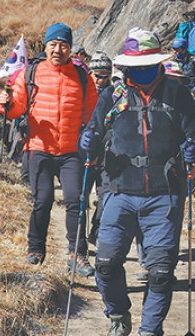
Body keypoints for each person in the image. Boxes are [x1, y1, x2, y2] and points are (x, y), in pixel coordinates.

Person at [79, 28, 195, 336]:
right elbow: (95, 132)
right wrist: (89, 141)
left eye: (146, 64)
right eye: (135, 66)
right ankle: (118, 316)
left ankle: (150, 331)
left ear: (158, 62)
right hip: (118, 192)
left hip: (165, 195)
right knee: (106, 265)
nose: (140, 71)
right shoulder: (113, 95)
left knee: (161, 273)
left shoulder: (178, 95)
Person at [0, 22, 98, 275]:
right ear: (46, 46)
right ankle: (36, 247)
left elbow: (94, 113)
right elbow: (16, 109)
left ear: (70, 48)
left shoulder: (83, 77)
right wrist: (5, 105)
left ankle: (78, 254)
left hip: (71, 151)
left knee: (77, 200)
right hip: (39, 147)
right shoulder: (30, 74)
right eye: (53, 44)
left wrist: (95, 138)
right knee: (42, 199)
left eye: (63, 45)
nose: (58, 50)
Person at [86, 51, 113, 246]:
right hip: (84, 153)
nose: (101, 79)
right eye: (97, 74)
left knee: (104, 198)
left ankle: (95, 233)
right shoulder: (82, 93)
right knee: (81, 198)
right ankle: (78, 243)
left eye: (105, 75)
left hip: (106, 156)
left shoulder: (115, 95)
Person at [171, 37, 195, 109]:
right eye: (174, 49)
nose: (175, 51)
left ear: (183, 49)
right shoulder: (174, 61)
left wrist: (193, 92)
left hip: (192, 92)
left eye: (177, 49)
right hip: (178, 92)